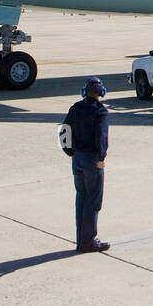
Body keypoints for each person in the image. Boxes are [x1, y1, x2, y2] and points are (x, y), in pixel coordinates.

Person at [61, 77, 110, 252]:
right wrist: (101, 158)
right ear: (101, 93)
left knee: (81, 198)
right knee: (93, 201)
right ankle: (88, 241)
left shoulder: (75, 108)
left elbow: (64, 131)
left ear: (84, 91)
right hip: (92, 160)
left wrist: (70, 151)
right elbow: (101, 137)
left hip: (77, 159)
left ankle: (81, 239)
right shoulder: (101, 112)